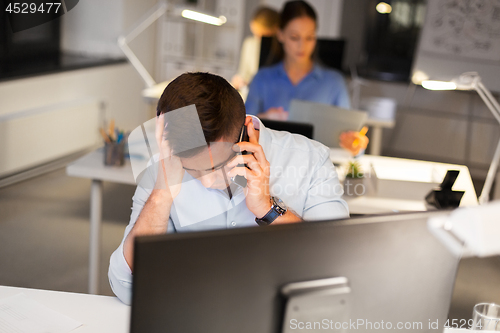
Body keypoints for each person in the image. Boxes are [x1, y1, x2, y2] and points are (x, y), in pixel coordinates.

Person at [108, 72, 349, 305]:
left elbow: (338, 269)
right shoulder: (163, 167)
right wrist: (162, 194)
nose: (206, 182)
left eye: (218, 167)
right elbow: (126, 287)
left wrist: (268, 209)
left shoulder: (310, 159)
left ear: (245, 130)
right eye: (191, 169)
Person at [245, 0, 350, 120]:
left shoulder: (334, 83)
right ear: (280, 35)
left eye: (309, 38)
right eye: (294, 38)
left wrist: (353, 138)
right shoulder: (261, 79)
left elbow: (347, 131)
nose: (302, 46)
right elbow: (243, 127)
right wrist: (264, 118)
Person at [231, 6, 279, 91]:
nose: (258, 39)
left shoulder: (281, 51)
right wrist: (239, 81)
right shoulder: (249, 44)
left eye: (261, 36)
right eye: (255, 34)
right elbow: (243, 73)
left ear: (276, 30)